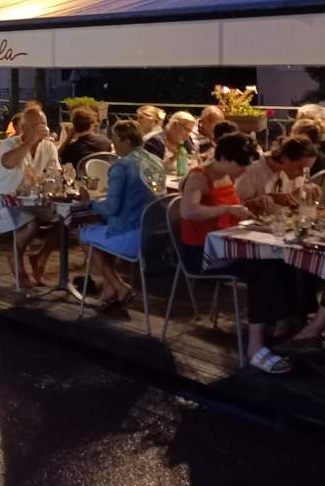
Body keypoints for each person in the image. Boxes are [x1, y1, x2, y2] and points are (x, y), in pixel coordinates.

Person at [180, 132, 298, 374]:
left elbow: (230, 212)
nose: (244, 171)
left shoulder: (226, 175)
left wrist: (253, 206)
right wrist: (228, 208)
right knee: (264, 267)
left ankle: (282, 325)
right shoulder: (199, 177)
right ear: (222, 157)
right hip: (202, 252)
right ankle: (255, 347)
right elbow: (188, 212)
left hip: (227, 243)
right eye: (240, 165)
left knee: (283, 260)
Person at [78, 120, 164, 307]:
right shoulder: (156, 161)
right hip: (155, 236)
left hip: (131, 235)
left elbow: (112, 208)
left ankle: (119, 286)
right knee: (102, 232)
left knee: (84, 234)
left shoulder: (122, 166)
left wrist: (89, 203)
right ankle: (110, 289)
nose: (112, 143)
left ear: (126, 141)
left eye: (114, 139)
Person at [0, 107, 61, 288]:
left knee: (67, 218)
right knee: (32, 221)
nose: (41, 128)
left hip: (35, 201)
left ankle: (41, 257)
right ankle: (16, 257)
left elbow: (55, 172)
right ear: (24, 127)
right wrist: (30, 141)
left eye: (43, 124)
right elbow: (8, 162)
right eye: (36, 125)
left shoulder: (49, 146)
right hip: (6, 201)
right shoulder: (10, 144)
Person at [234, 137, 318, 211]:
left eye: (307, 170)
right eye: (300, 168)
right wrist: (258, 202)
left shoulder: (292, 172)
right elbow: (234, 208)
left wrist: (302, 194)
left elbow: (295, 205)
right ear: (284, 159)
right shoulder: (252, 170)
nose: (302, 174)